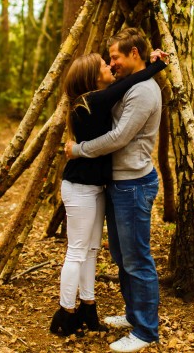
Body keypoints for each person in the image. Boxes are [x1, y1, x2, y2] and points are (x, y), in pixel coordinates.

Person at [50, 47, 168, 338]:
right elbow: (127, 84)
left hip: (98, 186)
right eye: (105, 64)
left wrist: (150, 65)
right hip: (80, 188)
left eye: (111, 60)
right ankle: (66, 311)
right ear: (93, 76)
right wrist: (156, 66)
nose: (110, 66)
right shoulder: (91, 101)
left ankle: (88, 306)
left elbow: (124, 84)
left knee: (90, 250)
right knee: (77, 251)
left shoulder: (96, 99)